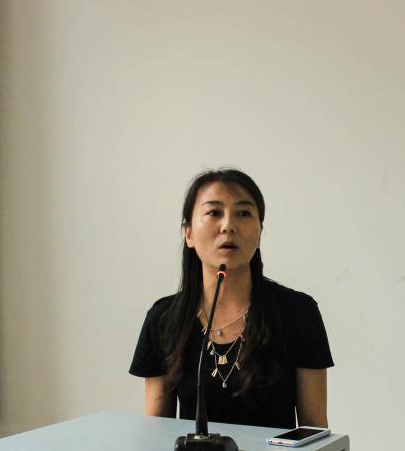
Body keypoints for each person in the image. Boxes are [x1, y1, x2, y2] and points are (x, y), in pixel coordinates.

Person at [129, 168, 332, 430]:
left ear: (259, 233)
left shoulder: (298, 312)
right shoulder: (164, 319)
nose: (228, 226)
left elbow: (314, 430)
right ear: (188, 233)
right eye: (214, 213)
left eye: (243, 213)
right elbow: (156, 432)